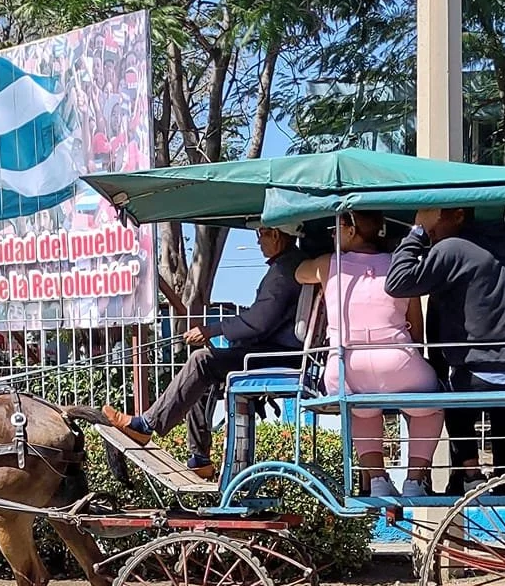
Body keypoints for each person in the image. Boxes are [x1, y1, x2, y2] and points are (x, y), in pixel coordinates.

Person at [100, 220, 305, 477]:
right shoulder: (288, 265)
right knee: (203, 371)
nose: (258, 240)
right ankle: (199, 459)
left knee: (202, 360)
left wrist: (212, 330)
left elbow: (259, 322)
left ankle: (146, 425)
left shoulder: (284, 272)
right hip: (274, 350)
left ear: (276, 234)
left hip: (276, 356)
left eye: (261, 234)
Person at [385, 206, 505, 490]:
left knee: (450, 390)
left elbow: (398, 282)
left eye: (432, 215)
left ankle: (470, 473)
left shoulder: (452, 248)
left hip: (480, 374)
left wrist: (416, 231)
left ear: (458, 213)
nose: (429, 225)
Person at [297, 210, 443, 499]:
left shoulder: (328, 265)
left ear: (351, 231)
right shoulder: (401, 266)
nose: (333, 233)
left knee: (361, 412)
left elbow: (299, 272)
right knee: (432, 407)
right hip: (396, 358)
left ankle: (376, 478)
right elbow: (416, 326)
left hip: (345, 364)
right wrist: (417, 358)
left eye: (337, 227)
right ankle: (414, 480)